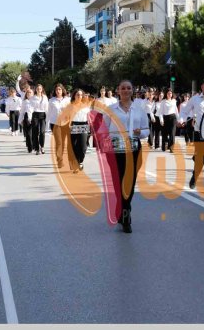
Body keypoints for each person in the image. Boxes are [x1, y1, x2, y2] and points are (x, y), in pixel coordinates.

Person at [101, 79, 150, 233]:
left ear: (132, 90)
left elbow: (147, 129)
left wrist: (140, 132)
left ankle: (125, 213)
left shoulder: (139, 109)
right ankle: (122, 210)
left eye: (129, 88)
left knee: (130, 182)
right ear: (118, 90)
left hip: (133, 149)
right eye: (123, 88)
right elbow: (103, 129)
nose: (126, 90)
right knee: (118, 182)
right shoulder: (111, 109)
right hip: (115, 150)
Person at [64, 89, 92, 173]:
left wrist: (91, 126)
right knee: (74, 146)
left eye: (81, 95)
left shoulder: (86, 106)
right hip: (74, 125)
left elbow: (90, 117)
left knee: (83, 146)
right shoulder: (70, 106)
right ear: (74, 96)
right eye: (77, 95)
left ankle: (80, 161)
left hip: (84, 125)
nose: (79, 96)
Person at [48, 83, 71, 168]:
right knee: (59, 142)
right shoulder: (51, 100)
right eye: (57, 89)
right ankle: (59, 160)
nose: (58, 91)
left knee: (63, 142)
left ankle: (60, 158)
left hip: (65, 123)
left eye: (60, 89)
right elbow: (49, 113)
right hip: (55, 123)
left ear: (62, 90)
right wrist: (46, 125)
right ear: (55, 91)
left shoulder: (67, 100)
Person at [157, 88, 179, 153]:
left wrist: (179, 120)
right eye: (168, 93)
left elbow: (176, 111)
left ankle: (172, 147)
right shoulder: (163, 102)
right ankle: (165, 145)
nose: (169, 94)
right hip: (166, 118)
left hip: (173, 118)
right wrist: (161, 120)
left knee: (172, 133)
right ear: (166, 94)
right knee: (164, 133)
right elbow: (160, 112)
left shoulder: (174, 101)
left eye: (171, 93)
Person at [30, 84, 49, 155]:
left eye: (40, 89)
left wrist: (48, 116)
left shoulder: (45, 97)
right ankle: (37, 149)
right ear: (36, 89)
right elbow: (30, 108)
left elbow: (47, 107)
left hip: (43, 115)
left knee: (42, 132)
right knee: (35, 132)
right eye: (37, 88)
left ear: (42, 89)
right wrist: (29, 117)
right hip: (35, 115)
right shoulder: (33, 98)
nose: (39, 90)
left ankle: (42, 146)